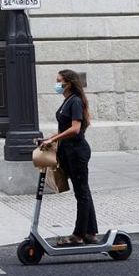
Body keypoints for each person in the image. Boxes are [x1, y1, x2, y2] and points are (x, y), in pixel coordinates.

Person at [39, 69, 98, 245]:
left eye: (59, 81)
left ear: (69, 83)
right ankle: (90, 232)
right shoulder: (68, 101)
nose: (57, 84)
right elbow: (64, 128)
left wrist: (53, 139)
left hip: (77, 152)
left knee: (82, 193)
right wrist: (49, 138)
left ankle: (78, 235)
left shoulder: (76, 101)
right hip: (69, 151)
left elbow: (75, 129)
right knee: (83, 191)